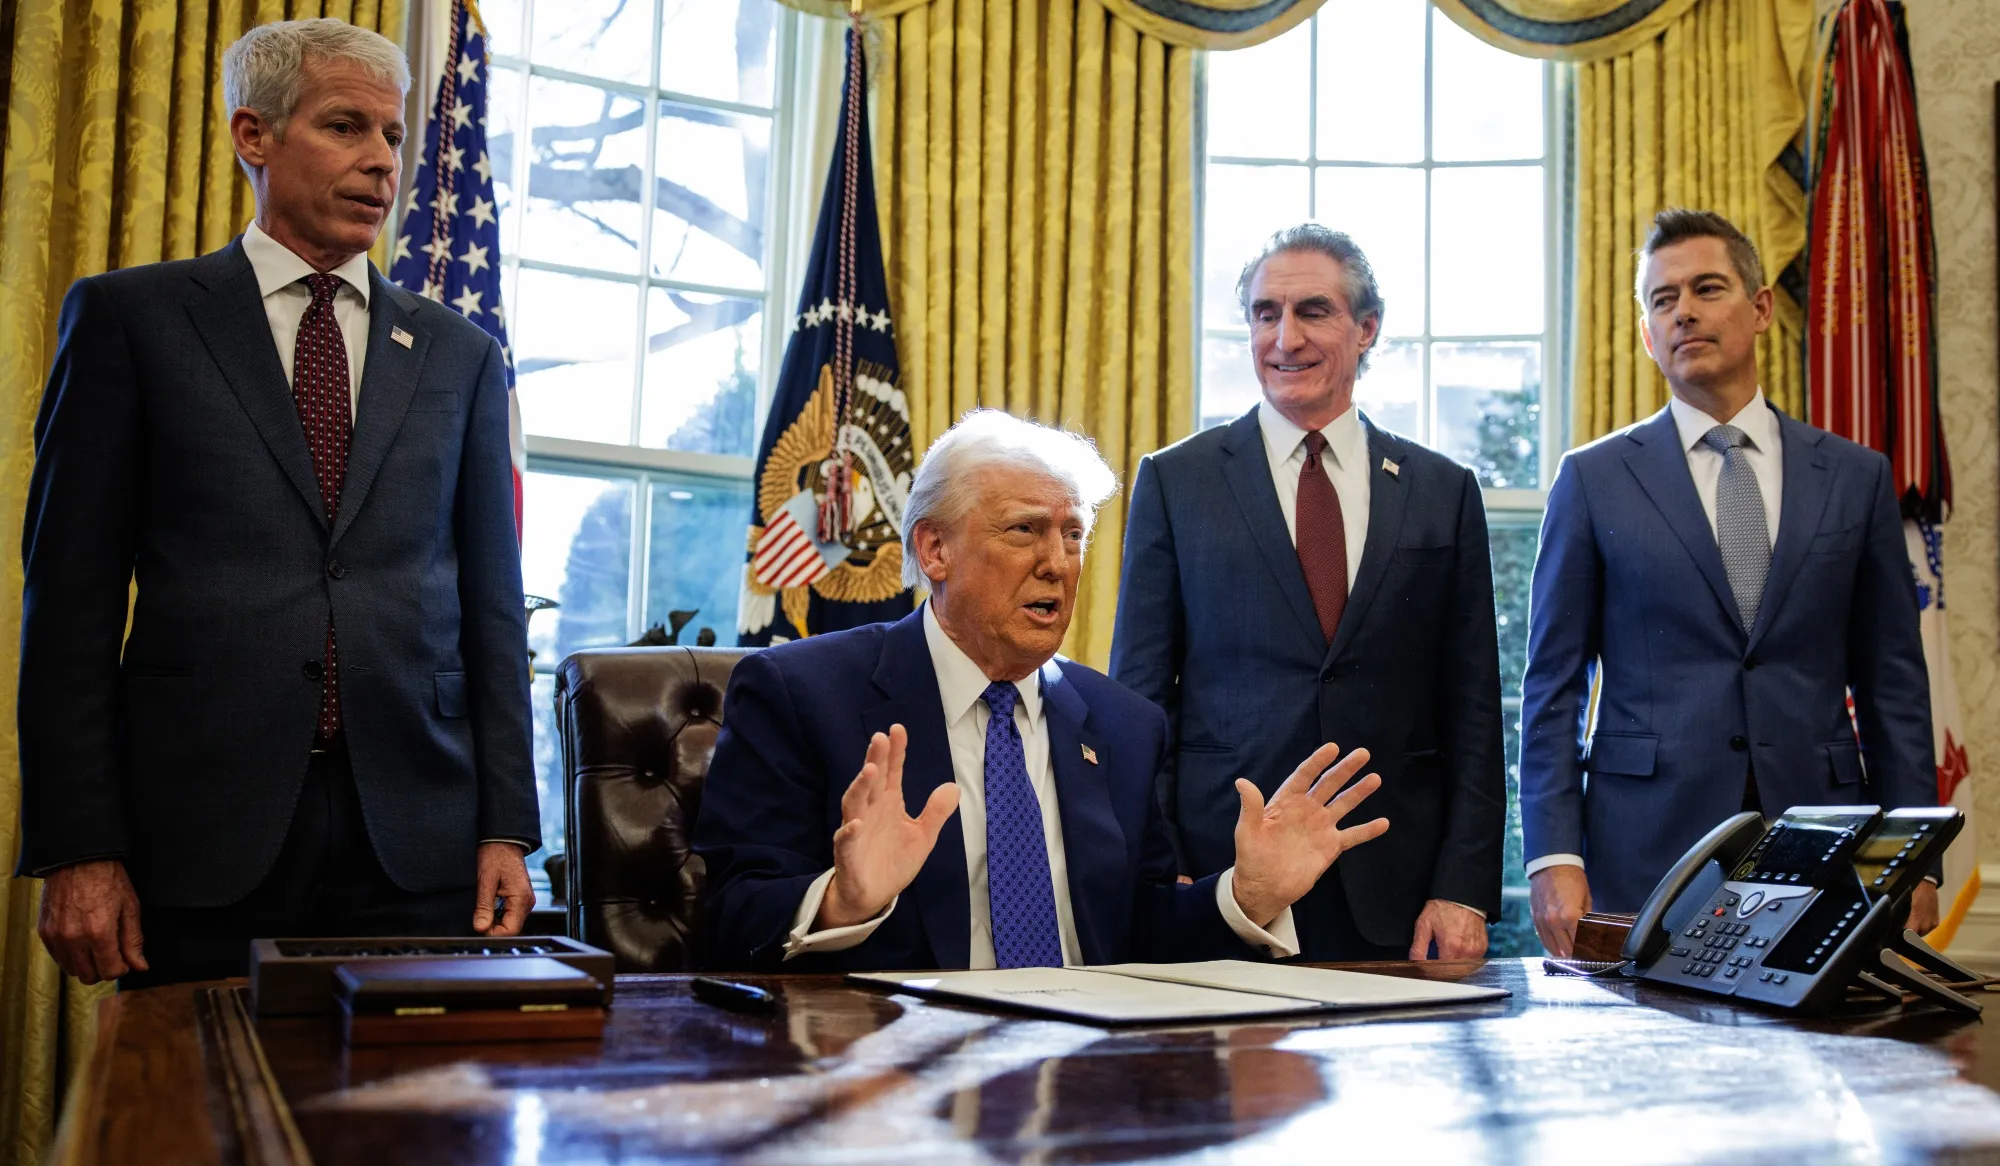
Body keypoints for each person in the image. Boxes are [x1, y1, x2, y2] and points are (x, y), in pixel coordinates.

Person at [22, 18, 539, 988]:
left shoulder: (459, 356)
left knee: (401, 1133)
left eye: (391, 136)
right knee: (187, 1126)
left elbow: (491, 608)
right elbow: (71, 604)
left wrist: (507, 821)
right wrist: (79, 845)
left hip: (416, 840)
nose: (380, 162)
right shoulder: (132, 320)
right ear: (251, 135)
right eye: (345, 126)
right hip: (199, 833)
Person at [694, 410, 1389, 971]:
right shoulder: (800, 692)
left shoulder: (1122, 723)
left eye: (1073, 535)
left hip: (1088, 1079)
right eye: (1025, 530)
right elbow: (728, 918)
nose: (1057, 564)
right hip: (893, 1075)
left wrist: (1243, 896)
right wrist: (841, 901)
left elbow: (1135, 934)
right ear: (934, 550)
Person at [1520, 209, 1935, 956]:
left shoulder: (1854, 476)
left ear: (1762, 307)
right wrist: (1554, 856)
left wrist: (1913, 852)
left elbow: (1893, 684)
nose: (1683, 311)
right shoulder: (1591, 480)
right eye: (1662, 299)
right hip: (1645, 844)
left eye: (1707, 288)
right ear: (1647, 334)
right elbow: (1553, 686)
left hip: (1823, 838)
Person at [1109, 224, 1503, 963]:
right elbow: (1141, 699)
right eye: (1265, 314)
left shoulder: (1441, 492)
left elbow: (1474, 709)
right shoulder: (1177, 481)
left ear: (1367, 329)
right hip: (1225, 879)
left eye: (1312, 312)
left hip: (1397, 889)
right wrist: (1159, 864)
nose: (1284, 338)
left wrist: (1464, 887)